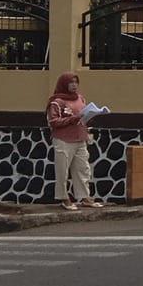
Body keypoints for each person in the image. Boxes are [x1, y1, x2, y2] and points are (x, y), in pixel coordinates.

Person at [46, 71, 104, 210]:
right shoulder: (56, 102)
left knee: (83, 169)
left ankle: (84, 197)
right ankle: (64, 197)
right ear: (63, 84)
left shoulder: (80, 99)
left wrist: (91, 116)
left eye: (76, 82)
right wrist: (72, 119)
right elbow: (53, 122)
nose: (74, 85)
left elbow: (83, 117)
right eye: (70, 82)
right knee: (62, 170)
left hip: (80, 138)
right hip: (63, 139)